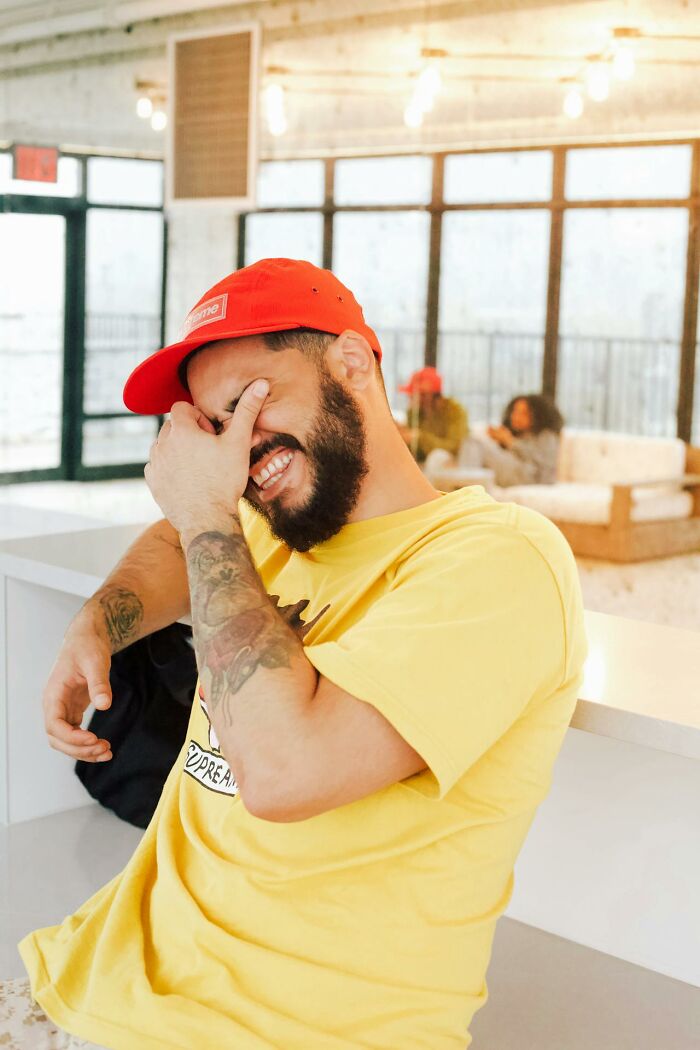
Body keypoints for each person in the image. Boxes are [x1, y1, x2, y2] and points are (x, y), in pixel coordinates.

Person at [12, 259, 587, 1050]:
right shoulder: (269, 530)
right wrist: (99, 624)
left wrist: (208, 504)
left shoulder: (501, 560)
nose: (237, 450)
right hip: (93, 976)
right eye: (215, 430)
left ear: (352, 362)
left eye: (250, 402)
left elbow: (284, 775)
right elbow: (176, 540)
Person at [459, 392, 564, 487]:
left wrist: (510, 442)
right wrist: (499, 440)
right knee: (473, 441)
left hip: (530, 477)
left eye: (523, 413)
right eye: (515, 412)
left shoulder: (547, 436)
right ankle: (467, 485)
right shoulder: (520, 435)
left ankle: (463, 487)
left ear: (538, 416)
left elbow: (542, 464)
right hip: (518, 472)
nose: (515, 417)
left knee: (474, 442)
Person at [397, 365, 468, 463]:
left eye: (414, 394)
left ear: (428, 395)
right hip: (425, 462)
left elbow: (454, 447)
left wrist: (420, 438)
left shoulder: (455, 411)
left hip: (453, 460)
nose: (410, 397)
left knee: (436, 457)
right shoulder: (414, 413)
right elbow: (414, 451)